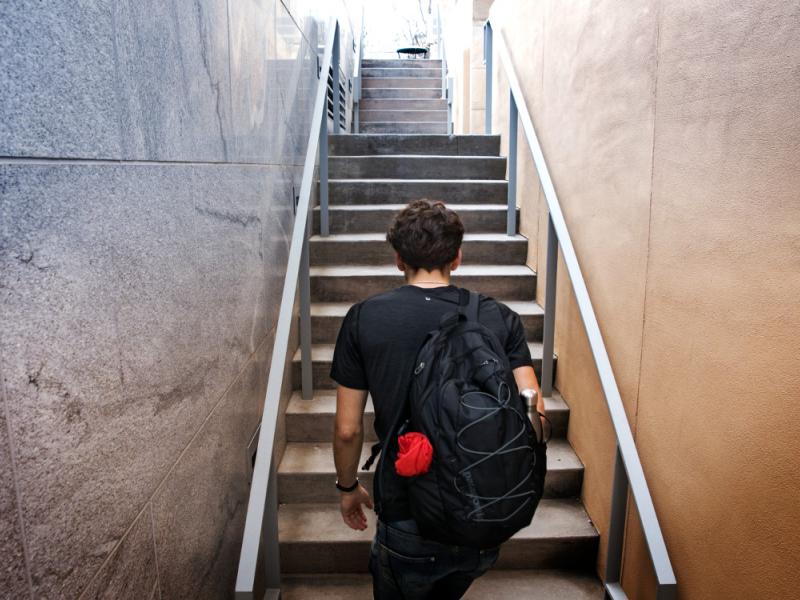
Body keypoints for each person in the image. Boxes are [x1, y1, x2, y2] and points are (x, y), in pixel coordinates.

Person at [331, 199, 545, 599]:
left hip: (406, 510)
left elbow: (346, 430)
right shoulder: (498, 317)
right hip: (482, 511)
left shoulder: (364, 318)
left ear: (398, 258)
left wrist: (348, 489)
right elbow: (534, 410)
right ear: (457, 257)